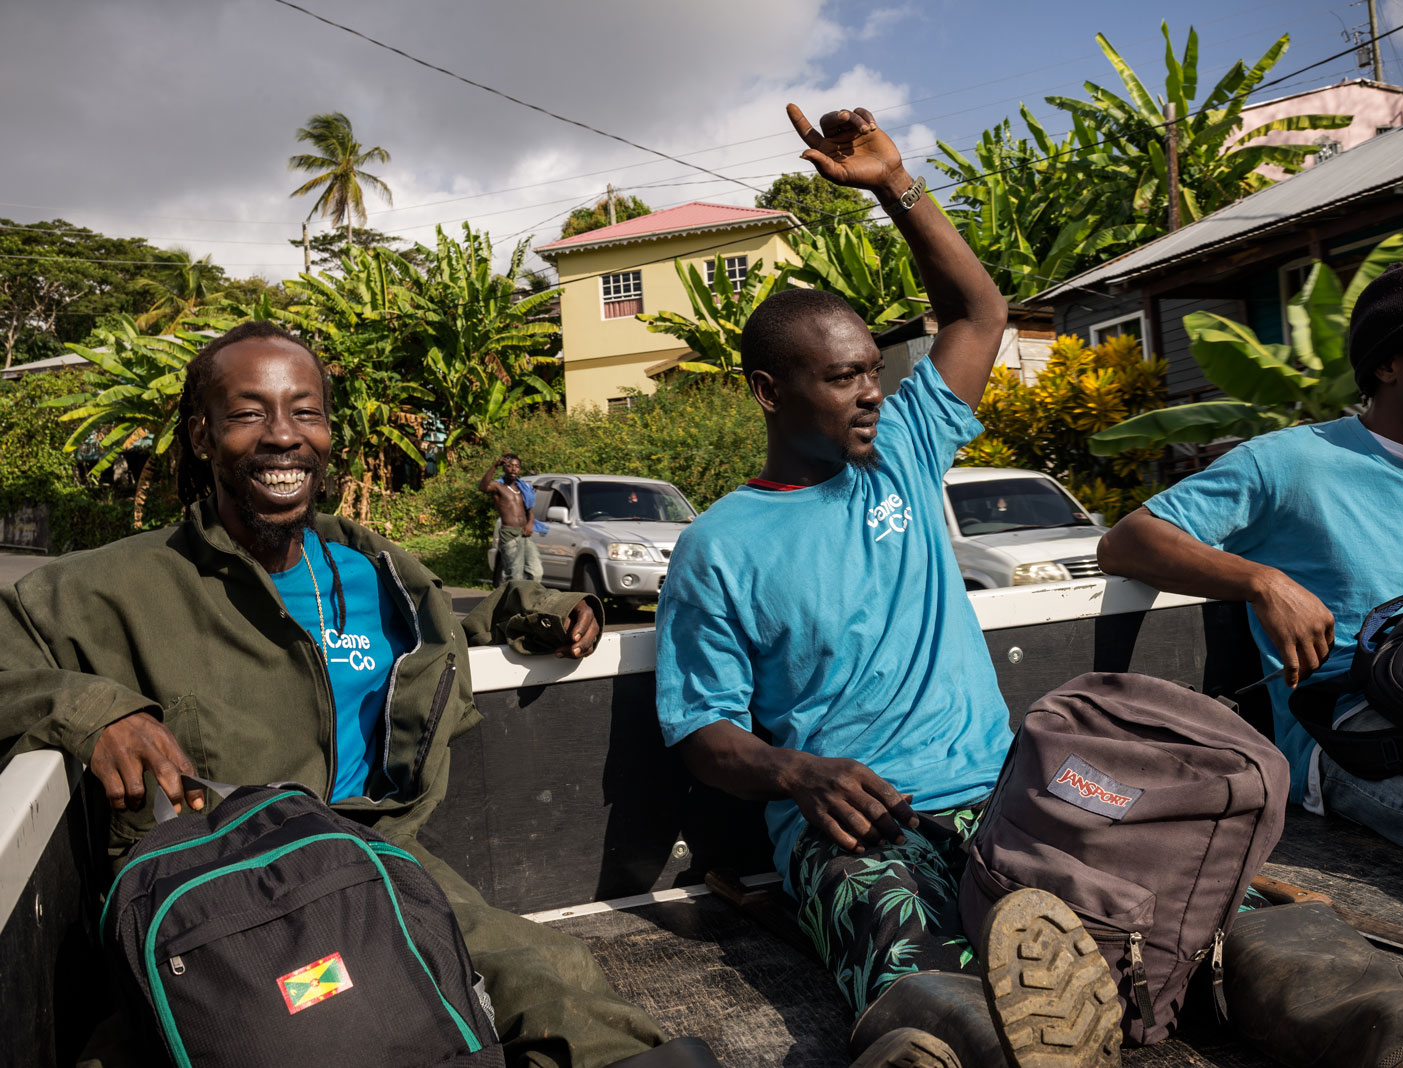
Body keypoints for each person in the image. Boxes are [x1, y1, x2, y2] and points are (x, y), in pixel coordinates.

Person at [0, 322, 718, 1068]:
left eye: (304, 411)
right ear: (202, 437)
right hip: (224, 890)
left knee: (563, 988)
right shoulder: (105, 588)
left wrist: (541, 613)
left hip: (379, 859)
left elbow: (450, 625)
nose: (284, 436)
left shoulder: (374, 568)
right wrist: (91, 712)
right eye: (249, 413)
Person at [655, 106, 1122, 1068]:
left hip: (1002, 789)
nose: (871, 392)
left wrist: (894, 187)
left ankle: (1383, 1017)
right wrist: (797, 773)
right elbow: (702, 732)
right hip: (851, 827)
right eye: (840, 378)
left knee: (1189, 895)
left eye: (873, 371)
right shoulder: (719, 545)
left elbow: (978, 314)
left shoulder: (902, 453)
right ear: (768, 392)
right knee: (915, 970)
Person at [1097, 261, 1403, 1067]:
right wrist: (1261, 579)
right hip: (1348, 733)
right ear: (1388, 361)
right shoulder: (1289, 463)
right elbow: (1126, 540)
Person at [481, 451, 544, 586]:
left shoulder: (523, 488)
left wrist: (530, 524)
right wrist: (494, 466)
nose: (514, 469)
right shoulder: (499, 487)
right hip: (509, 534)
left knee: (536, 571)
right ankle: (514, 605)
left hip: (525, 534)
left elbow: (529, 511)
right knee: (515, 575)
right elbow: (483, 487)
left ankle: (528, 601)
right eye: (510, 466)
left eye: (516, 466)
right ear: (504, 468)